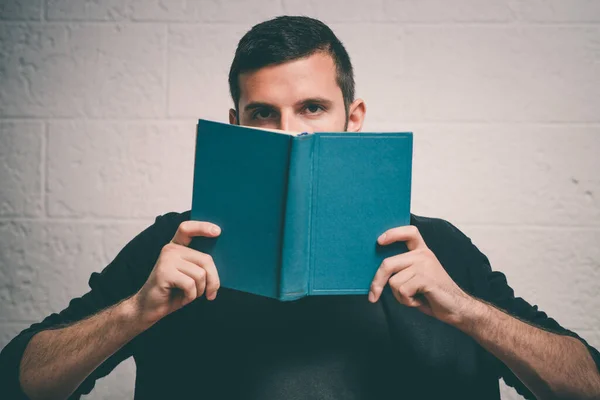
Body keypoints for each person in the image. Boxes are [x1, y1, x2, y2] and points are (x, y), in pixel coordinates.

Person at [1, 15, 599, 400]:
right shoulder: (176, 244)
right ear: (235, 123)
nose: (288, 135)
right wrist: (134, 312)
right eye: (263, 114)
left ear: (353, 120)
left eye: (312, 108)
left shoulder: (436, 247)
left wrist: (468, 312)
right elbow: (17, 381)